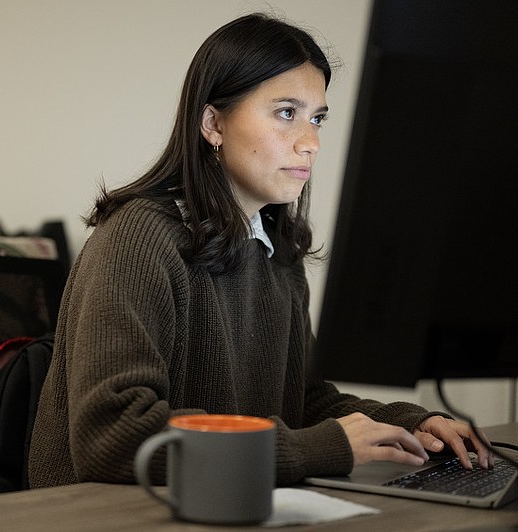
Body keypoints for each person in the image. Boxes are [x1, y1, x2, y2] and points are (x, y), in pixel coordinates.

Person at [28, 13, 492, 489]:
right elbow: (115, 439)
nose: (310, 142)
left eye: (317, 119)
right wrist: (322, 447)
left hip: (221, 501)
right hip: (106, 513)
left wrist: (408, 423)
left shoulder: (278, 252)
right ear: (213, 123)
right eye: (286, 113)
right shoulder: (137, 237)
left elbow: (301, 402)